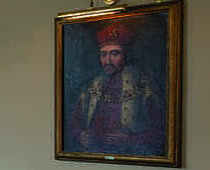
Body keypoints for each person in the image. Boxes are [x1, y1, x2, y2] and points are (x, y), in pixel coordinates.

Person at [68, 25, 165, 156]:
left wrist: (130, 140)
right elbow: (73, 122)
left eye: (115, 54)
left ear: (126, 55)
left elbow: (161, 132)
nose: (108, 61)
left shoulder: (144, 87)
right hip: (93, 157)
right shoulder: (93, 87)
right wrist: (81, 135)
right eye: (103, 54)